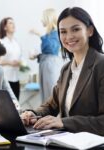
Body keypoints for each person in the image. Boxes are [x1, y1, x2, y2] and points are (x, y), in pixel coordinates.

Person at [21, 7, 104, 136]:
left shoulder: (101, 65)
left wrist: (64, 122)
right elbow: (51, 105)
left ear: (90, 31)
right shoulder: (66, 69)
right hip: (66, 141)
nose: (69, 36)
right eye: (63, 31)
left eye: (76, 29)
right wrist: (34, 114)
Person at [29, 8, 62, 102]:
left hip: (50, 65)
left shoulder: (55, 32)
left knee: (50, 94)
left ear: (48, 18)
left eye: (43, 18)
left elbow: (52, 50)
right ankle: (47, 115)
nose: (41, 20)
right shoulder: (50, 33)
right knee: (46, 95)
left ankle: (51, 116)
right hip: (46, 64)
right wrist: (37, 56)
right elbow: (48, 52)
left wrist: (40, 34)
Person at [0, 17, 22, 100]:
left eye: (13, 23)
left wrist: (20, 63)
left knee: (16, 105)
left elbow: (18, 58)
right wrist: (10, 63)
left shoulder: (16, 42)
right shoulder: (1, 42)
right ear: (4, 27)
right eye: (10, 23)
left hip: (16, 78)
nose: (13, 25)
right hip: (6, 78)